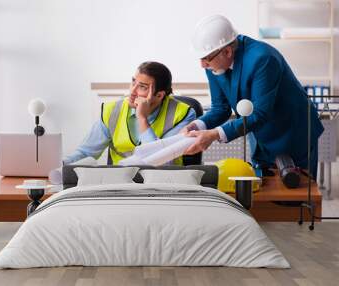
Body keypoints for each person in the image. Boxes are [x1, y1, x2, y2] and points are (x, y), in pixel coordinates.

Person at [183, 15, 324, 178]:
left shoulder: (263, 59)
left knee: (294, 194)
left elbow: (260, 114)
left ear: (227, 51)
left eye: (206, 58)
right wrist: (198, 125)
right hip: (260, 137)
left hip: (292, 133)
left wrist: (214, 134)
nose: (202, 65)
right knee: (262, 194)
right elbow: (220, 108)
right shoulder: (214, 61)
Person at [64, 61, 196, 165]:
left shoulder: (183, 114)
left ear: (160, 95)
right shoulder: (112, 111)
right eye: (133, 82)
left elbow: (163, 163)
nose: (132, 91)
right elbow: (86, 152)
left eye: (142, 87)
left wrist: (142, 118)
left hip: (163, 184)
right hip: (119, 185)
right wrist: (61, 164)